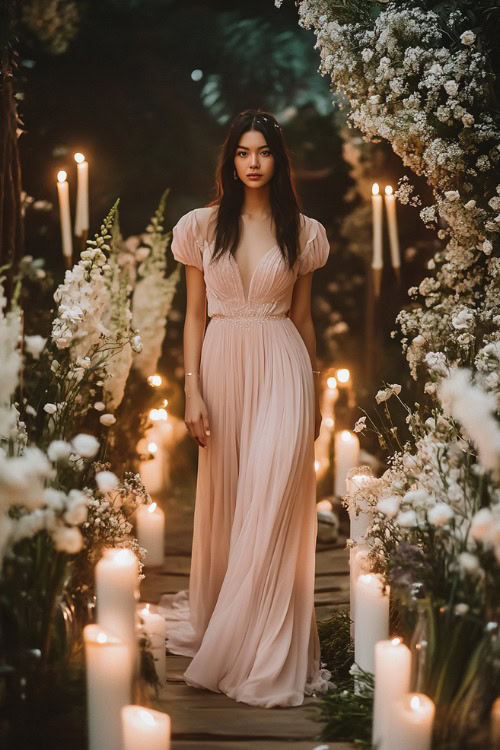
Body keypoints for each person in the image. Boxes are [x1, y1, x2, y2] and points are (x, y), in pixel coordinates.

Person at [158, 108, 334, 708]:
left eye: (263, 152)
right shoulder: (201, 228)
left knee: (273, 490)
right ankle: (228, 623)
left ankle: (268, 644)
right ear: (230, 160)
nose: (253, 162)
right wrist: (191, 389)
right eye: (242, 152)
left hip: (284, 365)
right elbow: (193, 316)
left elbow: (304, 320)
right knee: (232, 496)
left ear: (278, 161)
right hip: (223, 364)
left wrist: (316, 393)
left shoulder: (303, 232)